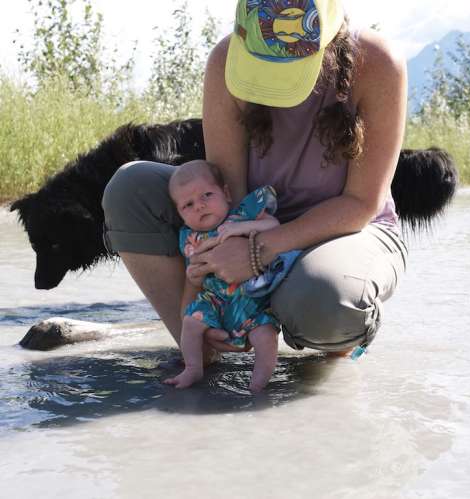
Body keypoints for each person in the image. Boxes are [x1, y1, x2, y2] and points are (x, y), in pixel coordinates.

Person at [102, 0, 408, 371]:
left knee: (328, 300)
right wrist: (201, 287)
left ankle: (338, 336)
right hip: (249, 216)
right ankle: (204, 345)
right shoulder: (224, 61)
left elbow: (360, 203)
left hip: (347, 229)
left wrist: (258, 251)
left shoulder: (377, 63)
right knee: (130, 188)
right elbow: (225, 189)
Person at [164, 159, 297, 391]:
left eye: (207, 195)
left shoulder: (241, 216)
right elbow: (194, 273)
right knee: (190, 323)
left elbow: (274, 226)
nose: (199, 206)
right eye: (188, 205)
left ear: (225, 193)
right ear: (180, 214)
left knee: (265, 336)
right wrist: (193, 277)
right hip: (215, 300)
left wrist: (242, 229)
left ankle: (259, 381)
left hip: (253, 299)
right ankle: (193, 368)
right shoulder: (188, 237)